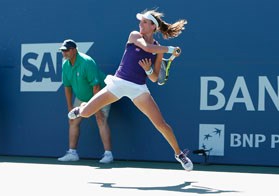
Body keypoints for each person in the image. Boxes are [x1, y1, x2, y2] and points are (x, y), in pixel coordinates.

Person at [68, 10, 193, 170]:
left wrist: (148, 70)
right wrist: (169, 49)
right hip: (118, 83)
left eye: (144, 22)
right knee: (85, 114)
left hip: (138, 88)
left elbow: (154, 78)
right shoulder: (135, 35)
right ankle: (82, 108)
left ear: (153, 26)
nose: (140, 24)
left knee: (161, 124)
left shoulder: (158, 49)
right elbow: (147, 48)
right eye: (140, 22)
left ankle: (179, 154)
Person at [58, 39, 113, 164]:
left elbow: (96, 87)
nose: (64, 53)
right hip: (82, 97)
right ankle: (72, 153)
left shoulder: (87, 62)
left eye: (66, 50)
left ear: (74, 50)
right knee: (72, 119)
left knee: (100, 119)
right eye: (62, 51)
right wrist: (70, 106)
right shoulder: (65, 65)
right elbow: (67, 87)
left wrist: (96, 108)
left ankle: (108, 154)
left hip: (102, 94)